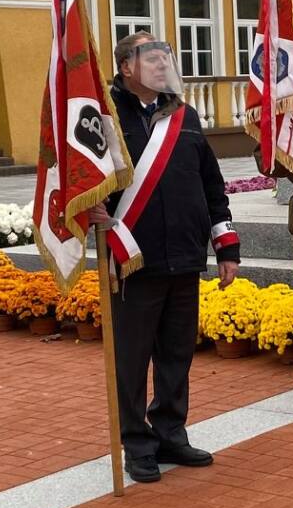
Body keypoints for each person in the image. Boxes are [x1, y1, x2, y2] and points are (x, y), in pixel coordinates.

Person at [97, 31, 241, 484]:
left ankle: (171, 433)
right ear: (126, 67)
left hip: (185, 254)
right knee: (132, 358)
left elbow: (211, 184)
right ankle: (136, 444)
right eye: (153, 58)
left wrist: (225, 245)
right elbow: (82, 180)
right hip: (133, 260)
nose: (163, 65)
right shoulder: (102, 117)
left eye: (166, 58)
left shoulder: (185, 114)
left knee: (177, 353)